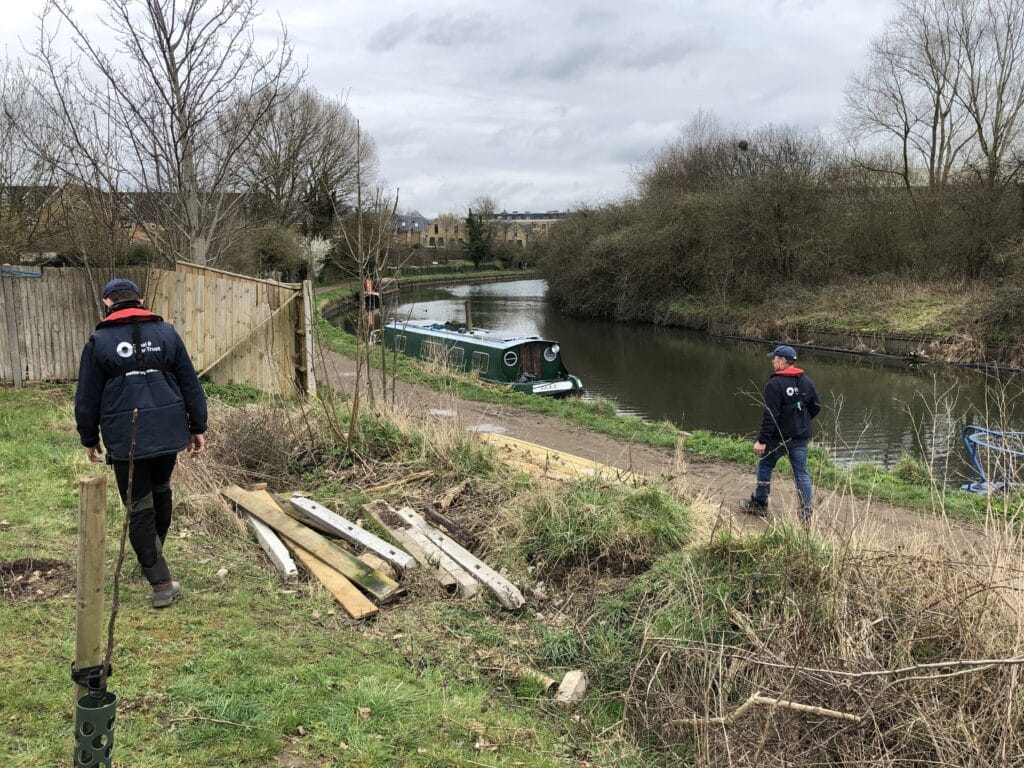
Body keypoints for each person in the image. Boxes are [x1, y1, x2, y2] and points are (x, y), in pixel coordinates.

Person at [75, 278, 207, 608]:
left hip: (126, 437)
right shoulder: (166, 334)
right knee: (160, 490)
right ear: (141, 300)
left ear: (107, 303)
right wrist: (197, 426)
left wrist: (89, 437)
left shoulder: (99, 341)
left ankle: (159, 580)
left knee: (139, 504)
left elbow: (87, 396)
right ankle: (154, 554)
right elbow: (190, 383)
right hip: (168, 429)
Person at [739, 344, 821, 522]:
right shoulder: (807, 381)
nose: (772, 360)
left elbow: (770, 415)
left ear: (783, 361)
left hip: (778, 438)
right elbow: (816, 407)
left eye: (774, 358)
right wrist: (801, 423)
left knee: (765, 465)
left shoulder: (775, 383)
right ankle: (806, 513)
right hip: (800, 437)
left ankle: (760, 504)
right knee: (801, 473)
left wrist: (762, 440)